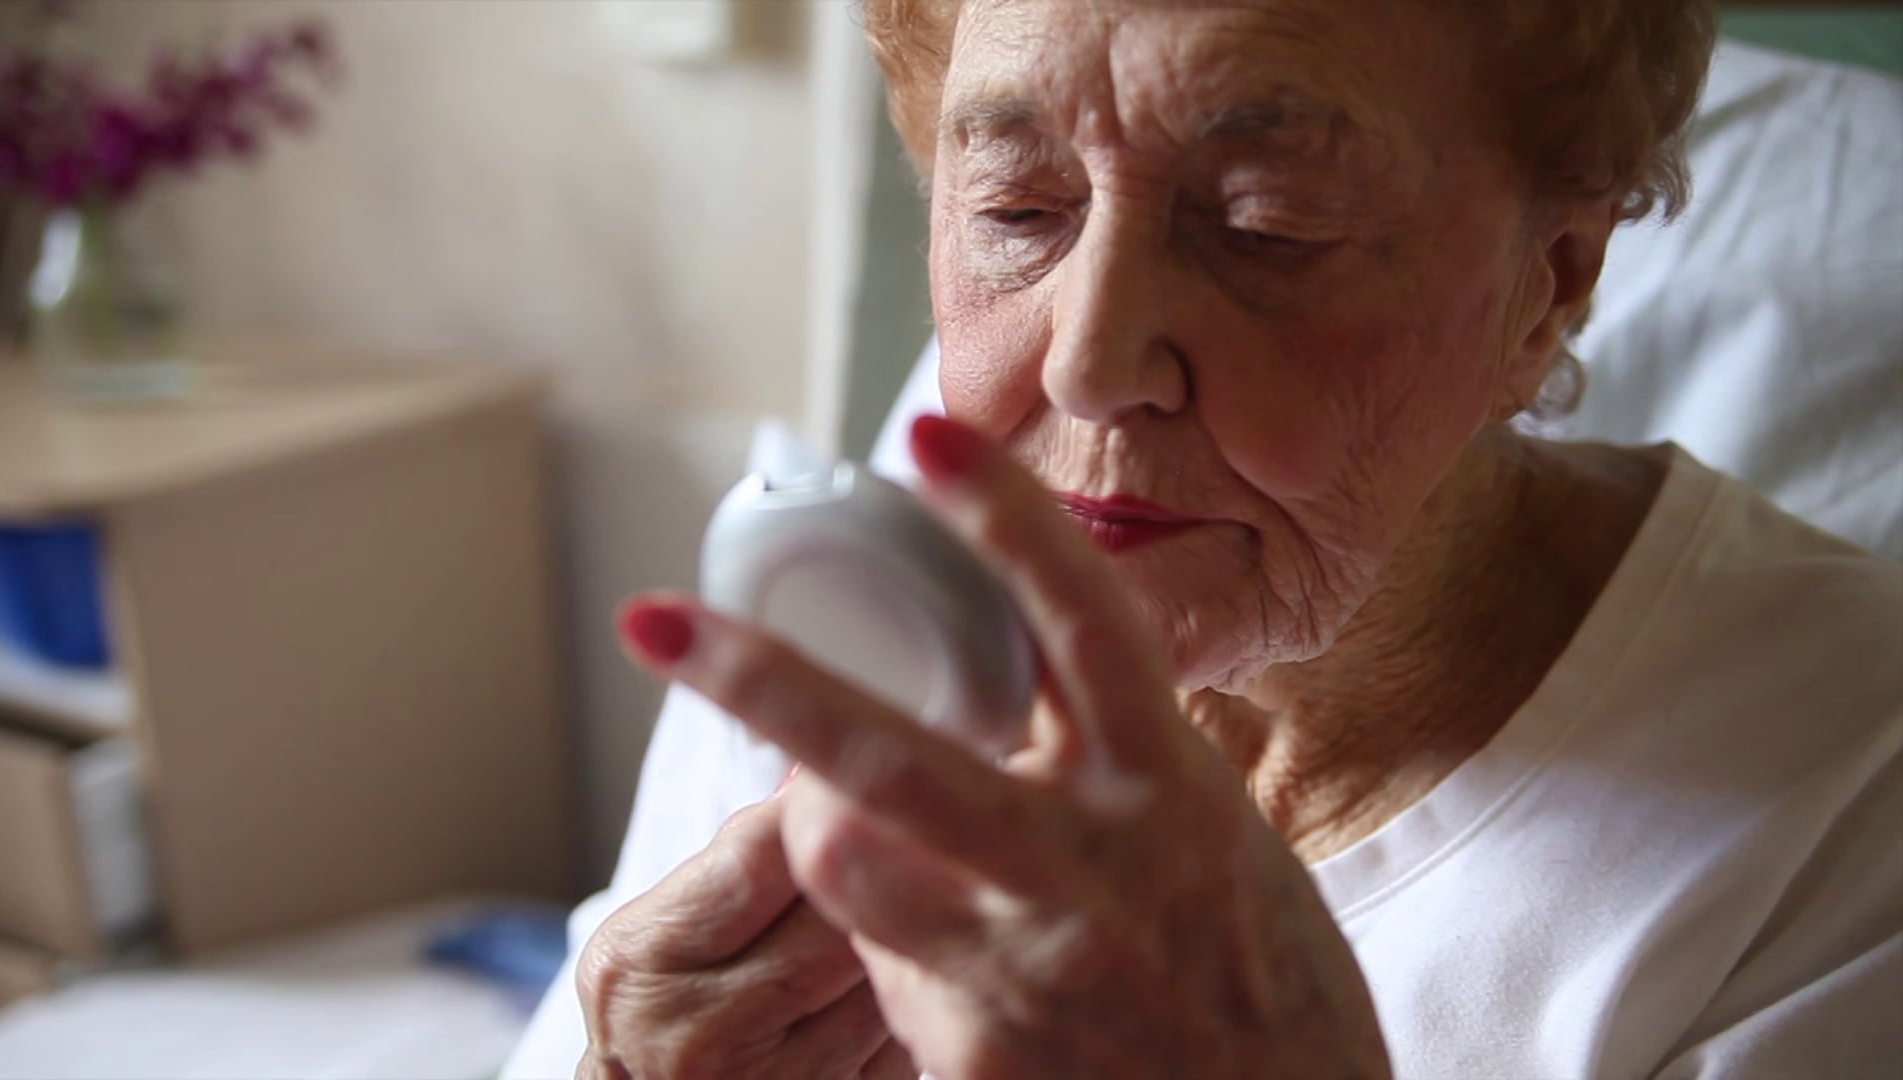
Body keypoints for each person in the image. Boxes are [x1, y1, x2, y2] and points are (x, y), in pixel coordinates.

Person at [565, 1, 1902, 1076]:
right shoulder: (849, 616)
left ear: (1548, 284)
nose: (1089, 363)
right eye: (1021, 210)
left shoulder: (1846, 800)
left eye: (1270, 227)